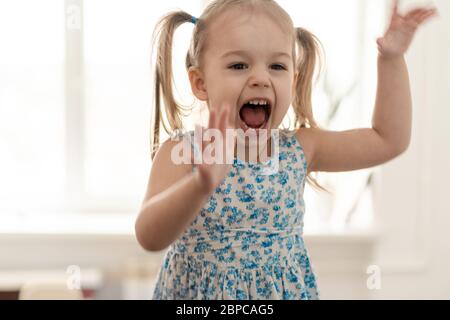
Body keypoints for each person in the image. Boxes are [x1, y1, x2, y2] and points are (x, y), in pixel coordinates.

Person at [135, 0, 437, 299]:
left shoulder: (301, 148)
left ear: (292, 82)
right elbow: (149, 236)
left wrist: (391, 59)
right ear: (200, 83)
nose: (260, 79)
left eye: (277, 66)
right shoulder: (182, 151)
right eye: (239, 65)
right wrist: (200, 184)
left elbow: (388, 140)